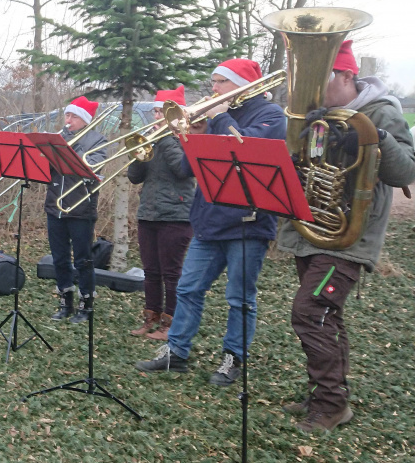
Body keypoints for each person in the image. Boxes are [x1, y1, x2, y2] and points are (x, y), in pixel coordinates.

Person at [276, 41, 415, 433]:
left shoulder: (381, 111)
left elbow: (405, 174)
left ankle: (332, 404)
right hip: (313, 230)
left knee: (310, 311)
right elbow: (307, 166)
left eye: (320, 80)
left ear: (347, 77)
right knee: (324, 315)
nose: (310, 91)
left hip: (349, 238)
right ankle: (326, 397)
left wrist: (375, 140)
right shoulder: (315, 114)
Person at [135, 58, 285, 386]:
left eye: (220, 82)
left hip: (248, 222)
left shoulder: (270, 116)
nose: (213, 89)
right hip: (209, 220)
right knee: (188, 288)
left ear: (240, 84)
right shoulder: (214, 117)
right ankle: (177, 350)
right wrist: (189, 134)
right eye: (213, 82)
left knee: (239, 297)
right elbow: (188, 168)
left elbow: (245, 152)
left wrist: (219, 116)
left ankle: (233, 357)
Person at [127, 85, 195, 340]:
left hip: (176, 215)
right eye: (155, 112)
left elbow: (182, 169)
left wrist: (165, 138)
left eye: (162, 112)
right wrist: (139, 153)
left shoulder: (184, 140)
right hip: (149, 213)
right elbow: (134, 178)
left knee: (172, 273)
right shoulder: (153, 141)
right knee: (151, 271)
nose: (156, 117)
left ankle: (171, 324)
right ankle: (151, 317)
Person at [45, 96, 107, 324]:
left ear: (84, 119)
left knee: (83, 259)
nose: (68, 120)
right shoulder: (58, 139)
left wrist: (72, 151)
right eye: (67, 115)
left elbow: (96, 168)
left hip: (81, 209)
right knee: (59, 258)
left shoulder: (97, 140)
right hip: (55, 206)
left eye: (73, 116)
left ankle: (86, 304)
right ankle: (65, 301)